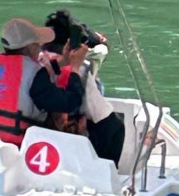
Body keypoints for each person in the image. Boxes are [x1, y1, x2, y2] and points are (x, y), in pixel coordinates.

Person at [25, 22, 127, 166]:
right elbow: (81, 106)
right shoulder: (79, 70)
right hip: (66, 130)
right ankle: (106, 170)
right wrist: (75, 67)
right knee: (114, 125)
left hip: (34, 130)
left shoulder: (28, 69)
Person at [0, 17, 52, 147]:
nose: (40, 49)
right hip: (19, 143)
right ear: (29, 48)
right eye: (38, 45)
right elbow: (61, 104)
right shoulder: (37, 72)